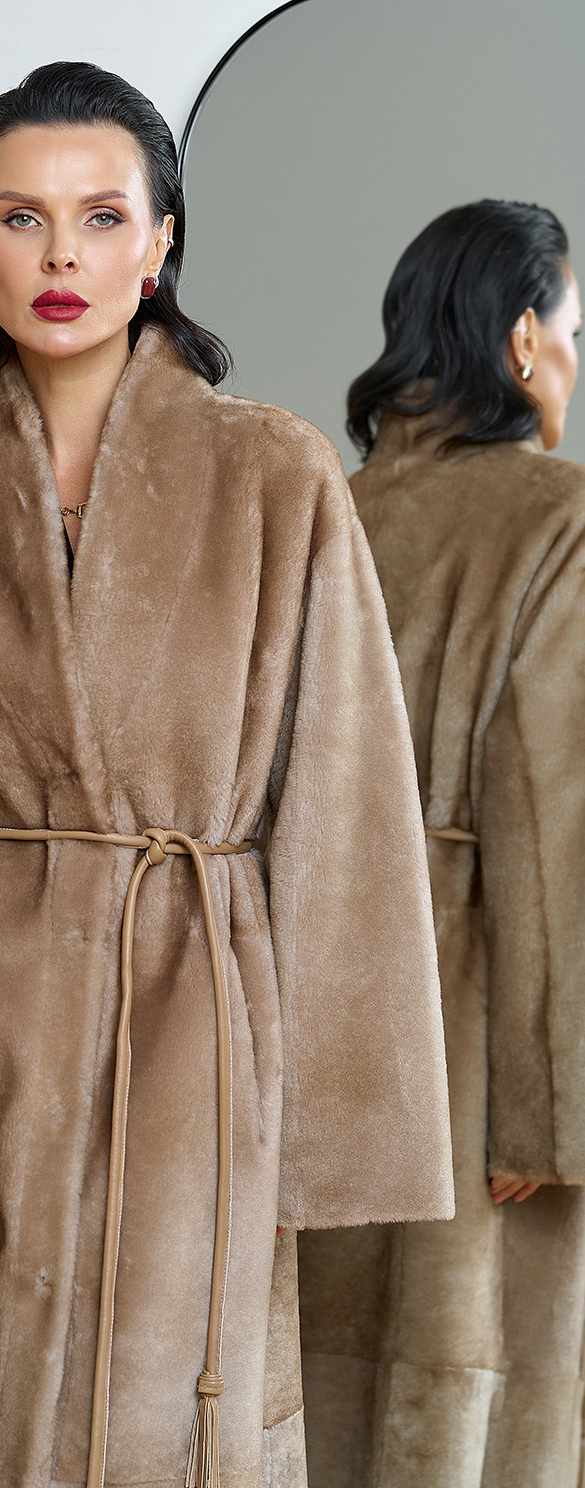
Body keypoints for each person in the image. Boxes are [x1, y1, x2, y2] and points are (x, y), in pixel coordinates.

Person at [0, 61, 454, 1488]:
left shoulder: (275, 478)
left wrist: (313, 1140)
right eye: (19, 217)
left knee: (168, 1432)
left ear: (160, 245)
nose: (60, 257)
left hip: (199, 1058)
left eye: (101, 217)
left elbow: (343, 808)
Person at [298, 200, 585, 1487]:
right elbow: (551, 824)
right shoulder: (556, 519)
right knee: (471, 1397)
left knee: (315, 1397)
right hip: (474, 1045)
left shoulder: (323, 515)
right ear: (520, 338)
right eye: (572, 331)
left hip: (314, 1038)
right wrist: (548, 1121)